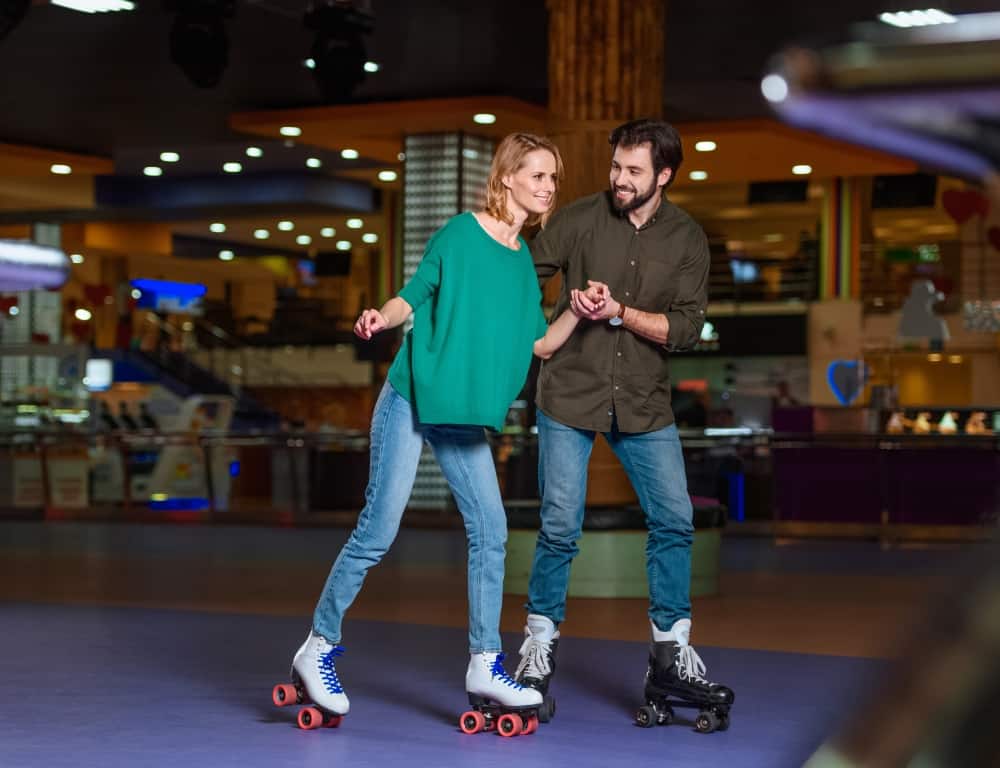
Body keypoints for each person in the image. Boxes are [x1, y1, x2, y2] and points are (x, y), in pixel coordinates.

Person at [285, 133, 585, 722]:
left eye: (554, 177)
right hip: (413, 396)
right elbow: (412, 296)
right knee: (378, 528)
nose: (549, 187)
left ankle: (484, 661)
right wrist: (381, 315)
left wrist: (579, 308)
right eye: (539, 175)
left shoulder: (523, 259)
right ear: (506, 179)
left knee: (491, 531)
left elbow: (540, 342)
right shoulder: (459, 234)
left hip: (461, 416)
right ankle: (315, 647)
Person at [514, 118, 734, 721]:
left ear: (663, 175)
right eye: (616, 167)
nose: (619, 180)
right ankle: (538, 646)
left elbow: (686, 329)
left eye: (634, 171)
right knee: (560, 525)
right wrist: (551, 324)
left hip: (642, 401)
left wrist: (619, 312)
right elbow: (520, 278)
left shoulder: (687, 239)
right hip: (568, 393)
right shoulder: (580, 219)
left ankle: (671, 653)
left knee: (675, 518)